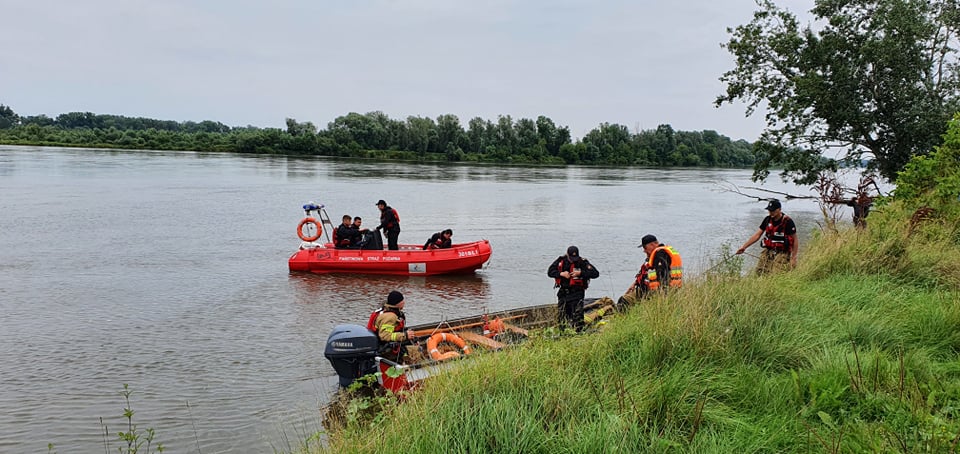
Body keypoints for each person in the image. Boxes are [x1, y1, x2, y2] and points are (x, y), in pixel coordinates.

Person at [736, 199, 798, 274]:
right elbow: (757, 235)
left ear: (779, 209)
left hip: (782, 252)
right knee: (760, 272)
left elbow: (795, 240)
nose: (771, 212)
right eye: (769, 210)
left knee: (778, 274)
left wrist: (793, 257)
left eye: (773, 210)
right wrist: (744, 247)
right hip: (768, 250)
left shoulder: (788, 221)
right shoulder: (767, 220)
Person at [619, 234, 683, 307]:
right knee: (624, 300)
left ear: (652, 245)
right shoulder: (658, 254)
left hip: (656, 292)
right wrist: (634, 284)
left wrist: (661, 297)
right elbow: (646, 271)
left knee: (624, 302)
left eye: (644, 248)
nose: (644, 251)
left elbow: (663, 276)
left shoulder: (660, 255)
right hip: (650, 289)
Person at [547, 246, 599, 332]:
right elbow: (550, 272)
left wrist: (581, 273)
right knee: (562, 317)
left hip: (577, 293)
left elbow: (595, 274)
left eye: (575, 258)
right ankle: (563, 333)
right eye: (571, 258)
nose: (573, 260)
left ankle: (578, 333)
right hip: (564, 293)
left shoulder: (582, 262)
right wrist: (561, 274)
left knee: (577, 317)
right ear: (567, 255)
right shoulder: (561, 261)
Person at [366, 290, 415, 362]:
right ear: (397, 303)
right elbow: (385, 336)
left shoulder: (384, 311)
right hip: (385, 350)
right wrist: (405, 335)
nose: (404, 302)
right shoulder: (390, 317)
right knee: (416, 351)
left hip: (378, 345)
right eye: (402, 300)